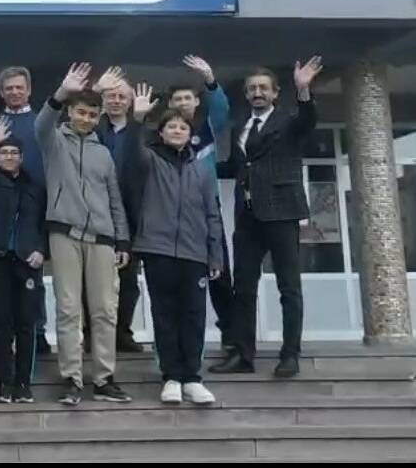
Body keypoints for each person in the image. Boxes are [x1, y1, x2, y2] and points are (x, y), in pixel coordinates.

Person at [210, 58, 323, 379]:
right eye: (251, 89)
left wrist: (303, 89)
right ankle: (243, 355)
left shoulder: (288, 121)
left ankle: (290, 355)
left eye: (263, 88)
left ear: (275, 93)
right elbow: (234, 167)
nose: (257, 93)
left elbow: (308, 118)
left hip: (281, 212)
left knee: (289, 288)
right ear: (246, 95)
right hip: (247, 217)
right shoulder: (240, 126)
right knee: (243, 289)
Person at [35, 63, 132, 407]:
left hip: (103, 239)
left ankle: (104, 378)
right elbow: (42, 122)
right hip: (64, 234)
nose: (87, 119)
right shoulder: (54, 142)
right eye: (81, 112)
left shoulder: (103, 152)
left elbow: (115, 200)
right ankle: (71, 378)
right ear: (71, 112)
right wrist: (61, 93)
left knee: (106, 310)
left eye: (93, 114)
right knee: (68, 309)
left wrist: (122, 240)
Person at [127, 85, 223, 405]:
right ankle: (170, 376)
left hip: (195, 253)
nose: (178, 130)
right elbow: (131, 150)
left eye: (183, 127)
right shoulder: (151, 161)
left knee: (194, 316)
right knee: (165, 315)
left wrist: (215, 254)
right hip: (158, 250)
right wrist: (137, 119)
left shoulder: (203, 170)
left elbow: (213, 213)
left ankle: (192, 377)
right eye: (171, 126)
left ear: (189, 132)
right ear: (163, 132)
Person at [0, 118, 47, 405]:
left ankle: (24, 383)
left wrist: (41, 250)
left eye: (14, 153)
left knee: (26, 323)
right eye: (4, 153)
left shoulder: (35, 187)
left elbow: (43, 223)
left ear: (22, 157)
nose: (9, 157)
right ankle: (2, 382)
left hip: (27, 259)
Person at [168, 55, 233, 348]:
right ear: (170, 104)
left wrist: (209, 79)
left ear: (196, 102)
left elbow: (222, 108)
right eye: (177, 98)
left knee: (219, 274)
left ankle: (231, 336)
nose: (182, 102)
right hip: (169, 215)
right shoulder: (163, 136)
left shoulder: (207, 127)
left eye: (187, 98)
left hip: (206, 211)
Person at [0, 66, 52, 355]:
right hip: (1, 207)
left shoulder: (42, 121)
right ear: (2, 92)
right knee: (2, 280)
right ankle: (4, 338)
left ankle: (37, 331)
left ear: (28, 90)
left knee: (34, 274)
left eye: (20, 87)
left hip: (36, 205)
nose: (15, 92)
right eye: (9, 88)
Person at [91, 68, 144, 354]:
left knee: (127, 280)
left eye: (122, 96)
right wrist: (96, 89)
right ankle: (91, 334)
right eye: (111, 96)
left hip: (132, 215)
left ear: (131, 101)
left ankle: (122, 332)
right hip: (94, 212)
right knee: (92, 280)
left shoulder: (141, 130)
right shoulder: (92, 127)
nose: (116, 101)